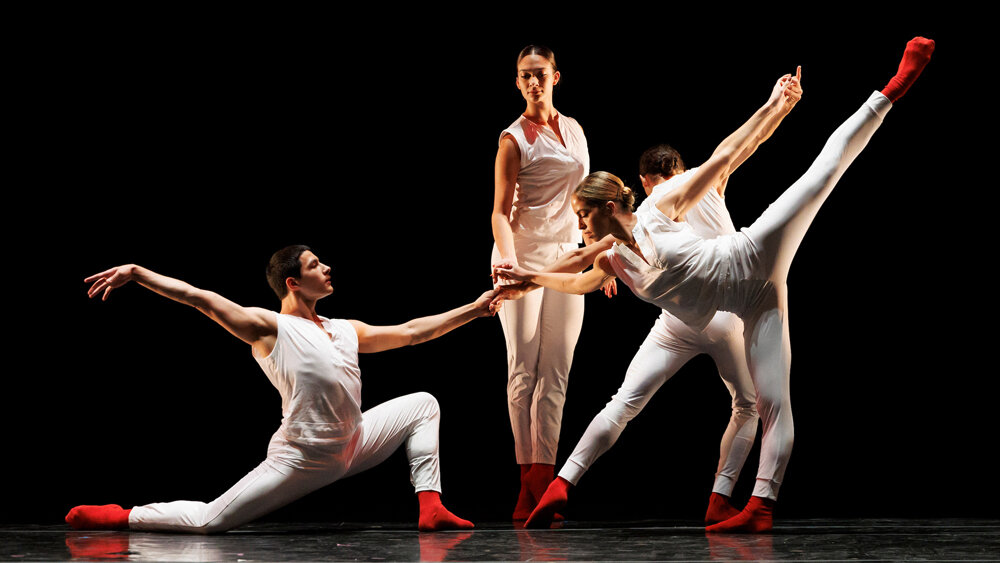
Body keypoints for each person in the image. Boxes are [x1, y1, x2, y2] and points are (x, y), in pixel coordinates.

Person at [494, 38, 934, 532]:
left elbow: (727, 155)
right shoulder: (615, 257)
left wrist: (776, 106)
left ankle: (892, 89)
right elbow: (576, 277)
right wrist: (528, 277)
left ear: (609, 205)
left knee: (820, 177)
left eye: (582, 215)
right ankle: (573, 488)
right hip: (740, 308)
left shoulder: (661, 205)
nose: (580, 224)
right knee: (742, 401)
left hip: (753, 257)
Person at [66, 245, 496, 533]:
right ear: (292, 282)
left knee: (424, 404)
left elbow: (411, 332)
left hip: (356, 441)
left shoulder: (343, 329)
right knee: (208, 523)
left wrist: (473, 311)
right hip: (303, 457)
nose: (326, 268)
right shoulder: (270, 328)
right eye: (314, 265)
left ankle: (430, 506)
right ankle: (123, 516)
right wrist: (138, 274)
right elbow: (201, 297)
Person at [491, 45, 601, 520]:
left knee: (556, 370)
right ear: (518, 83)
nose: (533, 82)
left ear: (557, 76)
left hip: (566, 256)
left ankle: (543, 473)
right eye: (524, 76)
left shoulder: (574, 129)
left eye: (540, 74)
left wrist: (601, 256)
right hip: (521, 254)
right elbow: (498, 211)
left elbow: (584, 199)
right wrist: (510, 264)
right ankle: (527, 480)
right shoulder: (513, 139)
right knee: (524, 369)